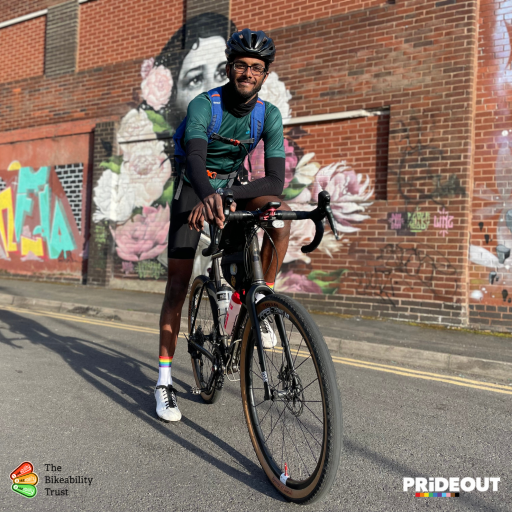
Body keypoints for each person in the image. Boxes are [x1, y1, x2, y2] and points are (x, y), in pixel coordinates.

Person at [155, 28, 292, 422]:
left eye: (256, 67)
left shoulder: (268, 115)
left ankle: (256, 306)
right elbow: (195, 158)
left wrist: (230, 194)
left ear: (264, 75)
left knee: (278, 218)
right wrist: (206, 195)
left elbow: (274, 180)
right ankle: (164, 382)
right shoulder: (205, 105)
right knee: (178, 285)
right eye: (241, 65)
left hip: (232, 188)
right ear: (229, 67)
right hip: (194, 186)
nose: (248, 72)